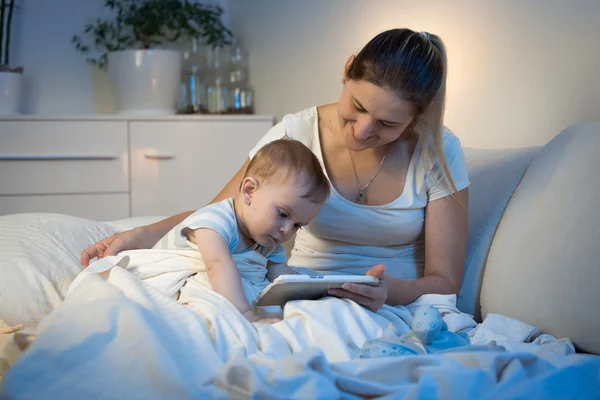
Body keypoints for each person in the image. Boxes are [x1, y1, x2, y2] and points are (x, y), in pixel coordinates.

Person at [81, 28, 469, 313]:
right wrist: (141, 234)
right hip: (298, 292)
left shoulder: (439, 151)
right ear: (348, 69)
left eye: (387, 125)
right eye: (358, 106)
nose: (363, 131)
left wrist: (386, 292)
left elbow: (444, 281)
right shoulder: (297, 133)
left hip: (395, 303)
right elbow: (225, 213)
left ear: (418, 116)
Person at [151, 139, 329, 323]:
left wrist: (319, 290)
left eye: (297, 225)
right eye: (283, 214)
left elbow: (281, 278)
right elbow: (217, 265)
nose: (286, 230)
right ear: (250, 190)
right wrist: (245, 314)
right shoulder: (216, 221)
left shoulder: (268, 241)